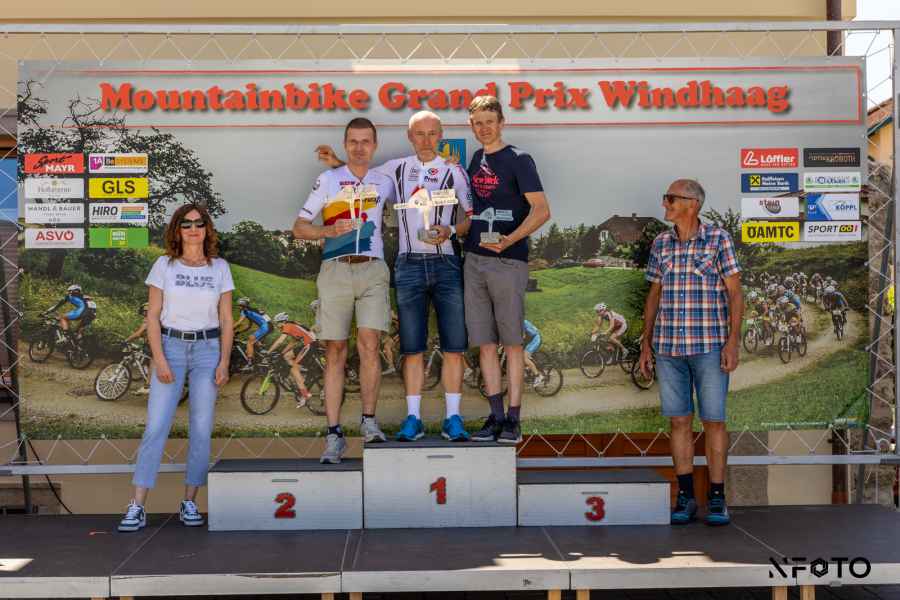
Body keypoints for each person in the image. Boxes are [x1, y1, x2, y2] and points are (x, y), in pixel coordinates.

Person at [317, 110, 474, 443]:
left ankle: (453, 418)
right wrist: (334, 163)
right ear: (409, 136)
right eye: (420, 134)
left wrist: (450, 230)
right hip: (408, 264)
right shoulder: (395, 169)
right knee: (412, 347)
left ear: (441, 135)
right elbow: (359, 177)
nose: (426, 140)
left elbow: (471, 219)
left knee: (453, 346)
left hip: (446, 263)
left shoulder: (455, 171)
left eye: (432, 133)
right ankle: (413, 419)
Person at [118, 203, 234, 532]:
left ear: (207, 229)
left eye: (199, 223)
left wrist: (224, 361)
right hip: (171, 346)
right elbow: (153, 316)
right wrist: (159, 358)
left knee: (201, 427)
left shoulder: (220, 267)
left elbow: (227, 319)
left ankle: (189, 501)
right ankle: (137, 505)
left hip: (208, 350)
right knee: (156, 426)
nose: (193, 229)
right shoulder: (164, 265)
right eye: (186, 224)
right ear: (177, 230)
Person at [638, 179, 743, 527]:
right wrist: (645, 343)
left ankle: (717, 497)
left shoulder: (719, 239)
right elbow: (654, 295)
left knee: (714, 421)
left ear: (692, 204)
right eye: (665, 197)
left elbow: (735, 293)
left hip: (710, 346)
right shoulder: (661, 243)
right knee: (679, 421)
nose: (665, 204)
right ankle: (685, 497)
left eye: (671, 198)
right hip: (668, 348)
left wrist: (733, 341)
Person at [294, 117, 397, 463]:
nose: (359, 147)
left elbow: (416, 196)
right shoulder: (328, 179)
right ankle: (334, 435)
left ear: (375, 145)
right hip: (335, 269)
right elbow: (299, 228)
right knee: (335, 350)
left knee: (370, 345)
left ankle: (369, 421)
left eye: (366, 141)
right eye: (353, 141)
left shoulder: (384, 180)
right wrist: (328, 230)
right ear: (345, 144)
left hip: (373, 269)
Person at [464, 95, 551, 445]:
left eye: (490, 121)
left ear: (502, 122)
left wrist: (509, 240)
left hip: (508, 261)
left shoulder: (519, 159)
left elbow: (542, 210)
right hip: (473, 260)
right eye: (477, 123)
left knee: (512, 343)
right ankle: (496, 416)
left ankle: (514, 419)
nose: (484, 128)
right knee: (485, 344)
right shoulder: (475, 159)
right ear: (471, 126)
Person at [267, 312, 316, 406]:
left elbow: (280, 341)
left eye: (277, 324)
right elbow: (293, 342)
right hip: (309, 344)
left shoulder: (288, 325)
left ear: (282, 322)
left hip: (310, 345)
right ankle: (300, 374)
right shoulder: (293, 326)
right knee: (287, 356)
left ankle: (305, 394)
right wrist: (282, 353)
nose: (277, 326)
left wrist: (268, 352)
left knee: (294, 369)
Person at [234, 297, 271, 362]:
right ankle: (262, 353)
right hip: (268, 326)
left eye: (239, 305)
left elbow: (239, 322)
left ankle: (250, 362)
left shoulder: (244, 311)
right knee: (252, 343)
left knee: (250, 340)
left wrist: (229, 329)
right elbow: (249, 326)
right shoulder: (251, 310)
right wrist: (238, 332)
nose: (238, 307)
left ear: (243, 305)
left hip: (265, 326)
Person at [522, 319, 543, 384]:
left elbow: (523, 336)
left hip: (535, 339)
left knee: (524, 357)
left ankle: (538, 376)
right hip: (531, 339)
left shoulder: (519, 322)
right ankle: (528, 368)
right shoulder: (518, 320)